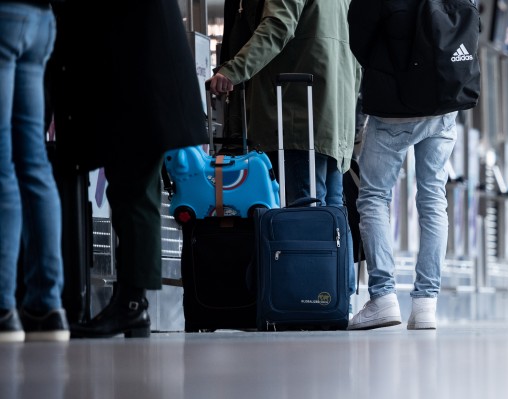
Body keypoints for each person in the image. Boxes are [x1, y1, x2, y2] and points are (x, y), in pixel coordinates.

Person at [49, 0, 207, 338]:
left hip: (141, 77)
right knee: (131, 189)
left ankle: (132, 303)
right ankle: (132, 303)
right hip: (141, 75)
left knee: (133, 192)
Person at [344, 0, 479, 330]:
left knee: (374, 197)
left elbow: (357, 38)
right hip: (444, 104)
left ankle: (383, 297)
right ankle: (425, 305)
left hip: (393, 107)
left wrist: (390, 67)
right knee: (433, 199)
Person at [208, 0, 360, 218]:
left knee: (303, 212)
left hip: (296, 116)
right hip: (334, 118)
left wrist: (234, 70)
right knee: (331, 214)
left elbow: (277, 26)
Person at [0, 0, 64, 343]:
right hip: (41, 17)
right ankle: (46, 307)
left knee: (3, 164)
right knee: (34, 163)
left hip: (5, 16)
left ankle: (2, 308)